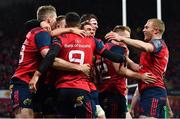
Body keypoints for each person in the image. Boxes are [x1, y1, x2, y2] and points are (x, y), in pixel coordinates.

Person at [106, 18, 169, 118]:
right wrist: (127, 60)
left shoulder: (158, 44)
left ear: (156, 30)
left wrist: (121, 38)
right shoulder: (154, 51)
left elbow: (146, 47)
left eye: (146, 27)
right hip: (154, 91)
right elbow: (138, 67)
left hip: (153, 91)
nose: (143, 30)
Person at [95, 25, 155, 118]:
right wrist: (141, 77)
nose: (127, 41)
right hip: (114, 91)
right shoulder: (118, 48)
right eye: (126, 38)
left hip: (103, 91)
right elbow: (120, 71)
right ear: (117, 36)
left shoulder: (102, 49)